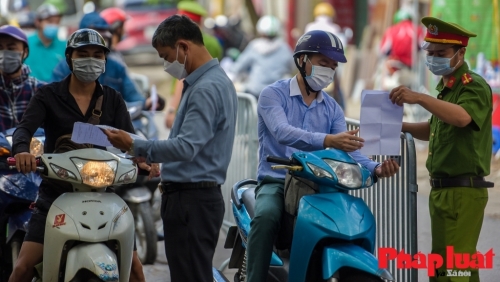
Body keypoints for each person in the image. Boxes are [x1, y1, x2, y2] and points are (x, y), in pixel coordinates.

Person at [246, 30, 400, 282]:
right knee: (266, 218)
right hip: (276, 180)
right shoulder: (272, 94)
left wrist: (376, 168)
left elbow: (350, 149)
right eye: (323, 63)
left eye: (333, 66)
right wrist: (328, 140)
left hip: (319, 183)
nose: (328, 70)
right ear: (302, 60)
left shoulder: (333, 108)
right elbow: (282, 132)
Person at [103, 15, 237, 282]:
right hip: (193, 198)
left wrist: (133, 144)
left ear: (184, 47)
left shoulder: (206, 88)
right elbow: (196, 146)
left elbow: (187, 147)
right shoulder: (206, 82)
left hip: (192, 202)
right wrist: (158, 162)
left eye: (166, 56)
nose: (166, 64)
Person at [8, 29, 148, 282]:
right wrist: (22, 151)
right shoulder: (48, 96)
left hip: (103, 192)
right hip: (55, 194)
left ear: (105, 60)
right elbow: (24, 130)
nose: (90, 60)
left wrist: (143, 159)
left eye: (97, 55)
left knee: (136, 269)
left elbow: (131, 140)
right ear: (70, 58)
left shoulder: (113, 99)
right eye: (83, 54)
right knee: (22, 269)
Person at [390, 17, 493, 282]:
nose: (434, 58)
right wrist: (400, 126)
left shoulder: (473, 85)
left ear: (461, 53)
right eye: (431, 53)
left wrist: (420, 98)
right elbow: (435, 128)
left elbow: (461, 118)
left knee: (451, 272)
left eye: (441, 54)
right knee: (455, 269)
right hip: (444, 190)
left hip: (462, 191)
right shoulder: (446, 88)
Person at [51, 12, 145, 105]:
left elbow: (134, 98)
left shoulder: (117, 68)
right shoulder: (63, 69)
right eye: (84, 53)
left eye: (103, 39)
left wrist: (148, 103)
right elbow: (52, 101)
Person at [164, 0, 223, 128]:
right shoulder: (214, 43)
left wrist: (172, 109)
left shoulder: (182, 45)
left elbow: (183, 78)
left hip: (186, 106)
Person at [227, 15, 294, 99]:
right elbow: (292, 67)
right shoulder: (284, 48)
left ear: (260, 31)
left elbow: (239, 66)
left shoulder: (255, 46)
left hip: (255, 92)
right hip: (278, 93)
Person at [0, 25, 45, 133]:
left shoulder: (39, 90)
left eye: (11, 48)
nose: (5, 53)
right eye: (0, 48)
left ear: (25, 52)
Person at [304, 2, 347, 110]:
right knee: (337, 91)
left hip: (311, 65)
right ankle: (341, 111)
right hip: (329, 65)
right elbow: (342, 46)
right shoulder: (335, 28)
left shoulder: (309, 27)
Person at [23, 3, 66, 82]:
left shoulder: (65, 46)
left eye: (57, 22)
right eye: (50, 21)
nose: (54, 25)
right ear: (38, 22)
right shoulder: (26, 43)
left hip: (57, 92)